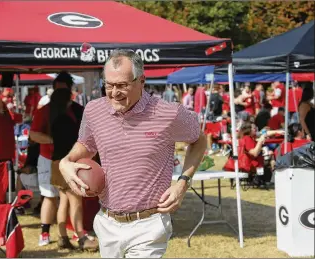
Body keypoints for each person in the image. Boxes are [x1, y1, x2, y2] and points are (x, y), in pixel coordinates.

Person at [59, 49, 207, 258]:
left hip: (149, 225)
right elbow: (86, 145)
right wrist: (66, 162)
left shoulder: (169, 112)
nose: (114, 92)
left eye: (122, 85)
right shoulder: (94, 110)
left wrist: (182, 183)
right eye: (109, 85)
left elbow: (200, 140)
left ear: (142, 81)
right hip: (107, 223)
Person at [49, 87, 98, 251]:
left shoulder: (55, 117)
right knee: (76, 201)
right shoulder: (66, 120)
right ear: (68, 101)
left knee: (63, 201)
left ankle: (62, 236)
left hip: (56, 162)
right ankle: (81, 237)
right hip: (66, 163)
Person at [30, 72, 73, 246]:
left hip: (68, 159)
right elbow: (33, 134)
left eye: (64, 89)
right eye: (59, 89)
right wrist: (54, 140)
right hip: (48, 158)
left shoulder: (75, 110)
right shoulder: (44, 111)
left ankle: (69, 232)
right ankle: (45, 233)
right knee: (49, 196)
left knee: (68, 197)